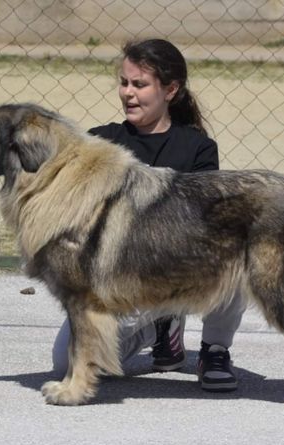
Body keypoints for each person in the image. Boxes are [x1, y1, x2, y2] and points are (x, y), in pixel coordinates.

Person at [52, 39, 245, 391]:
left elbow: (205, 226)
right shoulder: (100, 142)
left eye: (140, 85)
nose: (128, 93)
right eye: (124, 83)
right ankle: (162, 330)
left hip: (180, 274)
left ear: (170, 89)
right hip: (121, 288)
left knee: (237, 249)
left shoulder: (198, 148)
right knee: (64, 362)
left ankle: (215, 349)